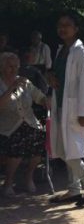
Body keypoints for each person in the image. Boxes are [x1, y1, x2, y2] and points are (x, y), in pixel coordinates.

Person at [48, 12, 84, 206]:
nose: (62, 28)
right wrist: (51, 78)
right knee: (65, 149)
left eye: (67, 25)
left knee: (69, 150)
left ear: (76, 29)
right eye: (60, 25)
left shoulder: (81, 52)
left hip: (74, 108)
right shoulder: (61, 50)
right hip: (61, 103)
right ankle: (73, 190)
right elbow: (59, 75)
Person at [0, 52, 48, 196]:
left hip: (30, 123)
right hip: (7, 127)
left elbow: (39, 96)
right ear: (1, 67)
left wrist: (45, 101)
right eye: (10, 66)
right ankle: (8, 182)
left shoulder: (25, 82)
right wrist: (10, 89)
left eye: (16, 66)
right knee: (19, 142)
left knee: (39, 138)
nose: (14, 69)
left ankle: (29, 177)